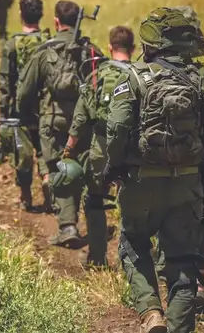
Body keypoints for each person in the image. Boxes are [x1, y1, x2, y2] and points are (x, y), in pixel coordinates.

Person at [104, 7, 204, 333]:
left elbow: (117, 129)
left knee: (133, 243)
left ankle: (151, 312)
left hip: (141, 184)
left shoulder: (133, 78)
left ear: (151, 43)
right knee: (182, 263)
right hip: (188, 186)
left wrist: (114, 168)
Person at [17, 0, 103, 248]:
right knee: (84, 170)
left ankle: (67, 226)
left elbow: (24, 92)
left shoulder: (45, 51)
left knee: (60, 170)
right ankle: (95, 235)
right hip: (85, 123)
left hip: (53, 121)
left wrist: (28, 116)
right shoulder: (91, 51)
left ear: (56, 21)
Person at [60, 25, 136, 268]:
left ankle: (97, 257)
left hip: (102, 146)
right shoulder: (141, 75)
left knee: (94, 199)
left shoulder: (97, 74)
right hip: (134, 146)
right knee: (136, 203)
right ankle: (135, 261)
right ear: (133, 48)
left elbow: (81, 117)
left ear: (110, 47)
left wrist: (69, 147)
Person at [0, 0, 53, 212]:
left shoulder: (12, 44)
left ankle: (26, 195)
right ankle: (47, 179)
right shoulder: (49, 42)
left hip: (21, 109)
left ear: (21, 14)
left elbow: (5, 81)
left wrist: (4, 111)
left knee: (22, 152)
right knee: (45, 149)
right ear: (41, 15)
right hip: (46, 107)